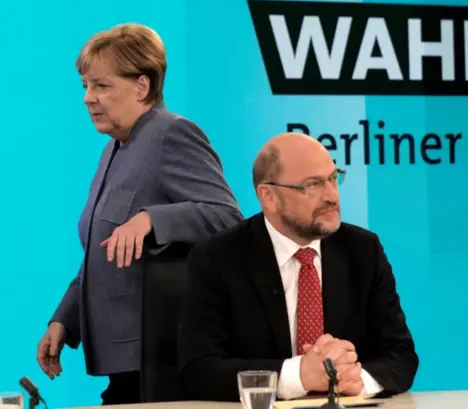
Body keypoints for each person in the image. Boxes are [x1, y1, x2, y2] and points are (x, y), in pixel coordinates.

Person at [36, 23, 243, 405]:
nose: (88, 98)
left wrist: (151, 219)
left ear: (142, 86)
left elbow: (228, 218)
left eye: (101, 86)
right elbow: (104, 253)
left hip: (163, 363)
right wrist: (64, 319)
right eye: (85, 86)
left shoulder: (172, 134)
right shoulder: (114, 148)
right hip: (126, 365)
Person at [177, 132, 419, 402]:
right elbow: (199, 370)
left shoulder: (363, 251)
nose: (331, 196)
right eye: (313, 185)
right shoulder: (218, 259)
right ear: (268, 197)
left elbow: (401, 354)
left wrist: (355, 380)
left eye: (332, 178)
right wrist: (298, 376)